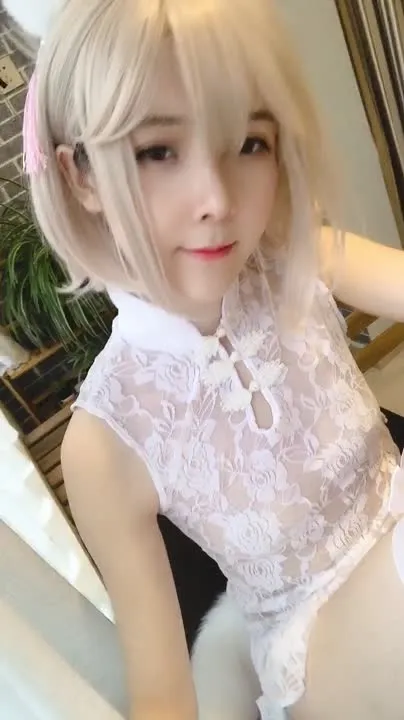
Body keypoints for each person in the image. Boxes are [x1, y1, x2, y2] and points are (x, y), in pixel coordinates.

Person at [5, 0, 404, 718]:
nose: (216, 198)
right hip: (318, 656)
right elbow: (164, 697)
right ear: (82, 175)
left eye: (248, 142)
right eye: (158, 152)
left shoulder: (297, 259)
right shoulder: (107, 438)